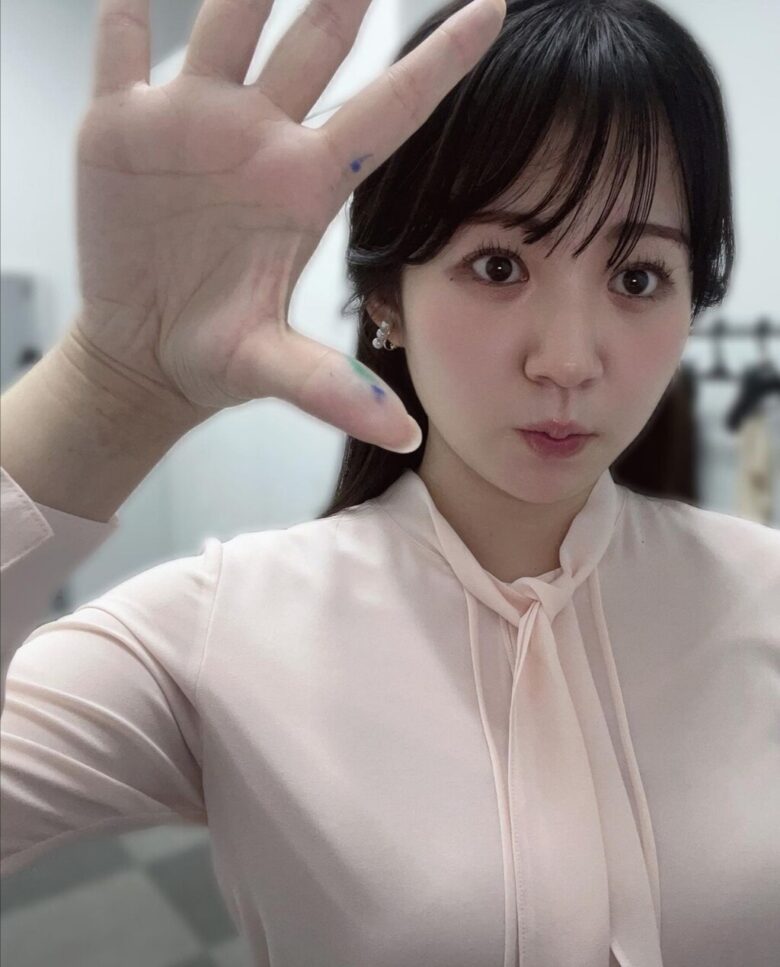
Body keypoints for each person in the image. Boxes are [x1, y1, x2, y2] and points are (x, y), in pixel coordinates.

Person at [1, 0, 778, 964]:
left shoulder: (763, 593)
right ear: (385, 298)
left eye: (638, 278)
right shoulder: (226, 629)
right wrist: (106, 385)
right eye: (498, 263)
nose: (570, 360)